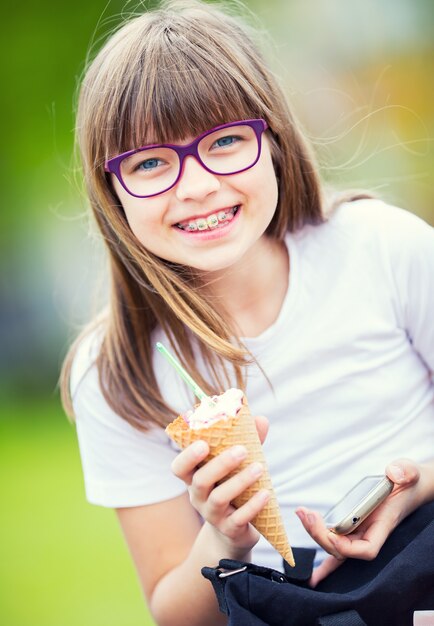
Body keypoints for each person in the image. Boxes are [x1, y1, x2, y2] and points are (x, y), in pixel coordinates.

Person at [60, 1, 434, 624]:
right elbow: (175, 613)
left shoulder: (382, 247)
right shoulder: (116, 373)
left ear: (274, 140)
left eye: (226, 141)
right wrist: (222, 538)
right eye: (151, 161)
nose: (197, 185)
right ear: (112, 191)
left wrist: (420, 482)